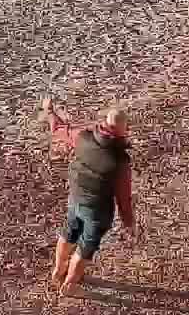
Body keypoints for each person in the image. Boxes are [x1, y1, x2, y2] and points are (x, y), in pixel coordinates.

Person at [41, 97, 135, 294]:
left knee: (69, 233)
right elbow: (123, 197)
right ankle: (70, 285)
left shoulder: (83, 136)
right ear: (122, 129)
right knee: (86, 246)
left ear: (104, 123)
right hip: (98, 209)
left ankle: (58, 271)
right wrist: (129, 223)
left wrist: (49, 111)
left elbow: (59, 129)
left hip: (76, 198)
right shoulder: (120, 160)